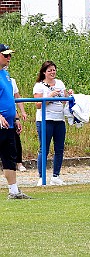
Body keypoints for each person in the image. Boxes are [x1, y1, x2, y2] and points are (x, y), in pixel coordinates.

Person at [33, 60, 73, 186]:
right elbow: (38, 105)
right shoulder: (39, 86)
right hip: (45, 120)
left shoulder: (60, 83)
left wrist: (68, 95)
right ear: (44, 72)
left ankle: (56, 175)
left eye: (54, 70)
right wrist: (50, 96)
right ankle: (41, 176)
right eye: (49, 70)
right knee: (43, 148)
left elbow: (64, 102)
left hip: (59, 119)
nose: (52, 72)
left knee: (59, 148)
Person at [0, 44, 32, 199]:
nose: (9, 58)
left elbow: (9, 98)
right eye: (5, 55)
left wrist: (16, 117)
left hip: (9, 124)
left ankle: (13, 191)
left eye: (9, 55)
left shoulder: (6, 75)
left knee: (9, 157)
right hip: (1, 123)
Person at [11, 77, 28, 172]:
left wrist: (22, 113)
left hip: (11, 113)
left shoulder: (11, 80)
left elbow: (17, 97)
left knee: (16, 138)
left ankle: (19, 163)